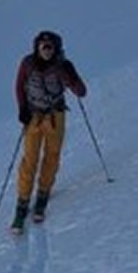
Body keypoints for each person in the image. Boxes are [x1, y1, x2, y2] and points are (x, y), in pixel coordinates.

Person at [11, 30, 87, 233]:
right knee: (30, 159)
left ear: (56, 49)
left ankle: (43, 194)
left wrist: (70, 77)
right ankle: (23, 202)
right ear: (36, 47)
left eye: (50, 47)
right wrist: (22, 110)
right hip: (34, 117)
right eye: (43, 46)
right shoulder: (27, 64)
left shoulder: (64, 66)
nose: (46, 50)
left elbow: (81, 91)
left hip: (56, 115)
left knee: (52, 156)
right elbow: (19, 87)